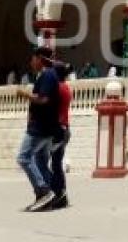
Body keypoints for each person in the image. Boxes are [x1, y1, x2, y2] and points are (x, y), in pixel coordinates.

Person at [15, 47, 60, 212]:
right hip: (45, 126)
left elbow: (43, 99)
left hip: (40, 127)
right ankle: (53, 194)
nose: (31, 62)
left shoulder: (48, 75)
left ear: (40, 59)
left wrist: (24, 94)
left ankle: (44, 191)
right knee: (40, 160)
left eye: (32, 58)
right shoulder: (49, 75)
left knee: (24, 157)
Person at [50, 61, 72, 209]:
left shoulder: (57, 88)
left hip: (58, 129)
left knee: (55, 164)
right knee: (56, 163)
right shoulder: (66, 87)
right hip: (64, 128)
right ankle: (60, 193)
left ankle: (59, 193)